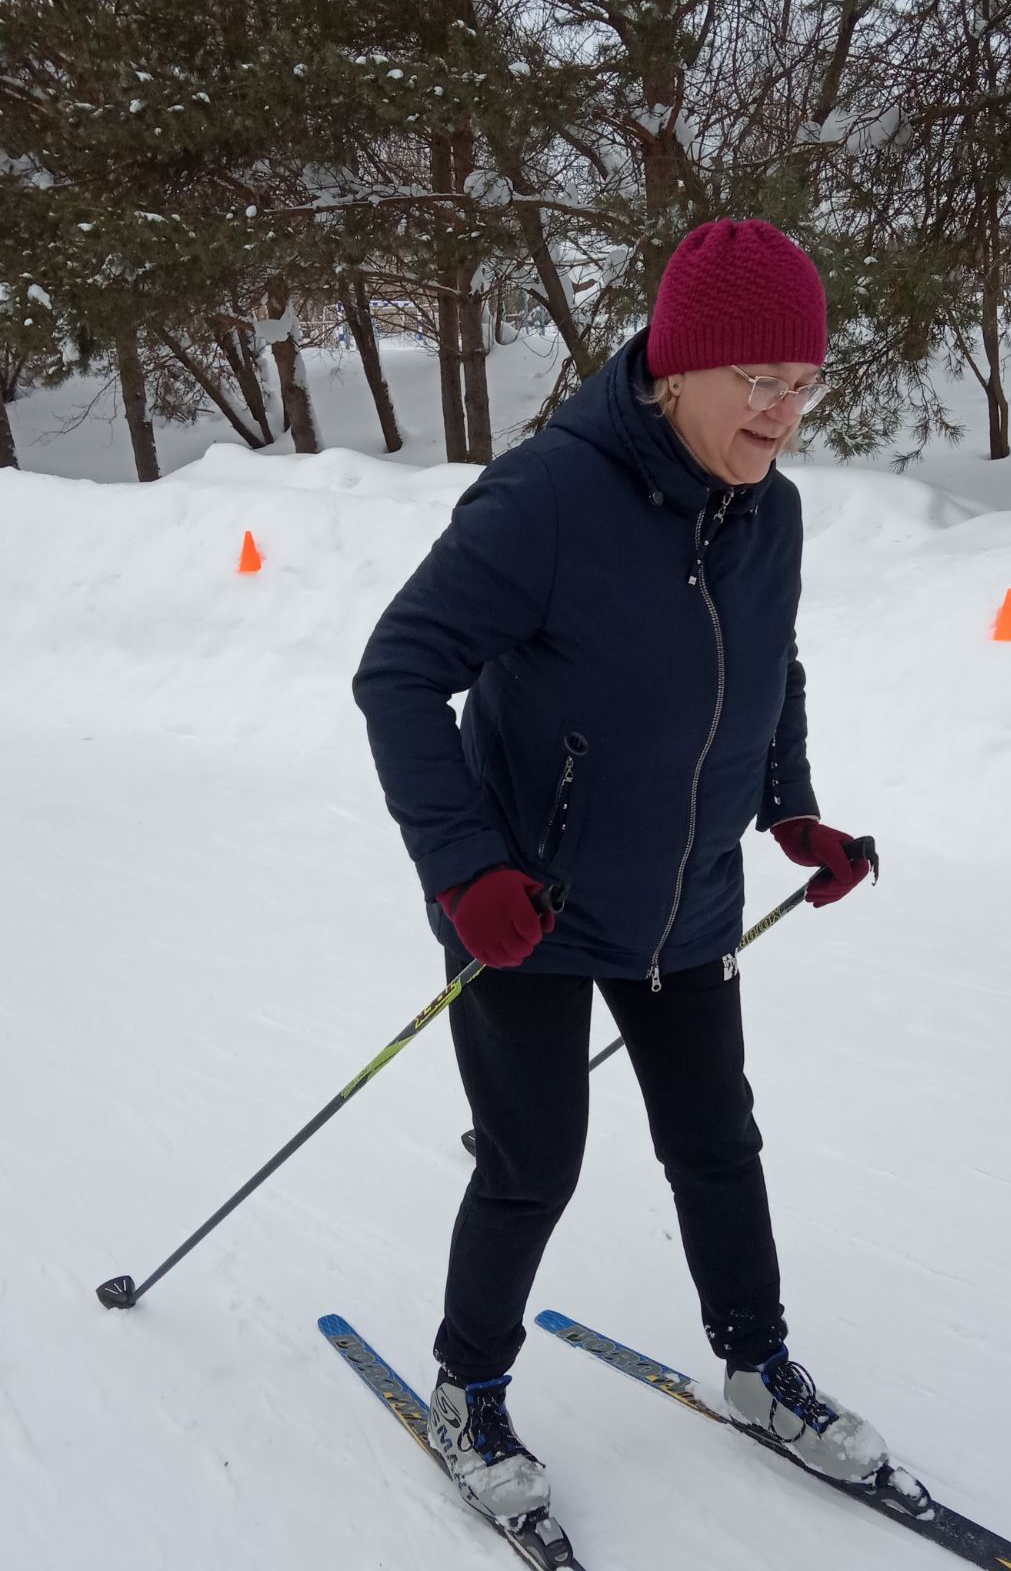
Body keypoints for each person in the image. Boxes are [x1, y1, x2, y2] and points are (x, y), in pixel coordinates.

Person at [353, 219, 882, 1525]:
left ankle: (758, 1368)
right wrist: (464, 868)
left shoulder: (773, 512)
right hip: (526, 907)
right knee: (534, 1163)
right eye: (757, 378)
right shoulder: (548, 498)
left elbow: (768, 669)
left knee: (718, 1142)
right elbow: (400, 673)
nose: (783, 408)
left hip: (687, 894)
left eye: (804, 380)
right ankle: (469, 1389)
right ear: (677, 372)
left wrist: (791, 813)